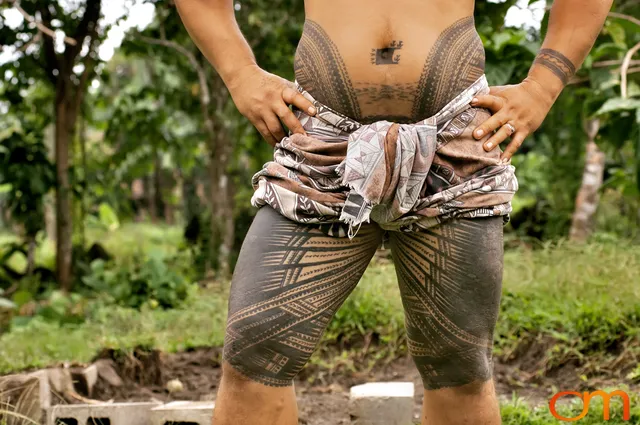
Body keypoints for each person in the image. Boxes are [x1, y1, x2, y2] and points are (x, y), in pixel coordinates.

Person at [175, 1, 612, 424]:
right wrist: (240, 74)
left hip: (454, 141)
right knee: (256, 348)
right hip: (323, 146)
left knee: (458, 367)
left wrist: (542, 87)